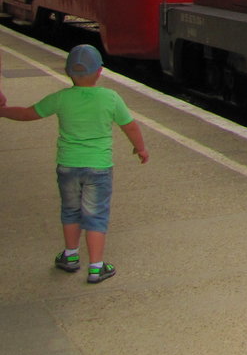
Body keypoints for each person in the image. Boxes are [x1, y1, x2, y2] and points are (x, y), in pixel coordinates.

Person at [0, 44, 149, 284]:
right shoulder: (110, 98)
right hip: (99, 168)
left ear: (68, 72)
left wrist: (4, 112)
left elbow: (29, 113)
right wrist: (140, 148)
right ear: (100, 72)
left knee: (70, 210)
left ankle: (70, 257)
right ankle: (96, 267)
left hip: (67, 166)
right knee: (96, 215)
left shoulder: (61, 98)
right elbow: (130, 126)